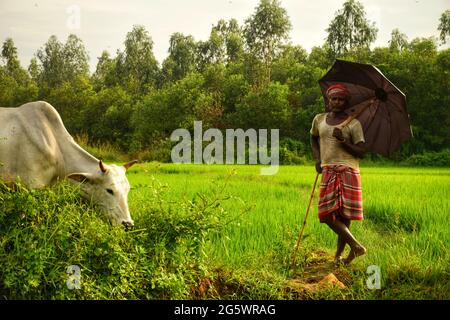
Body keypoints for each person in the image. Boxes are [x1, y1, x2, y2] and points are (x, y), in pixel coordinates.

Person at [310, 84, 367, 266]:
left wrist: (343, 140)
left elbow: (361, 151)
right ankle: (356, 246)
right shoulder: (319, 119)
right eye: (334, 98)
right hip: (328, 170)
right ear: (328, 100)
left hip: (348, 171)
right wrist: (317, 159)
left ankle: (338, 257)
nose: (337, 102)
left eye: (341, 99)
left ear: (346, 102)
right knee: (326, 214)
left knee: (344, 217)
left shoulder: (354, 123)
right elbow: (313, 137)